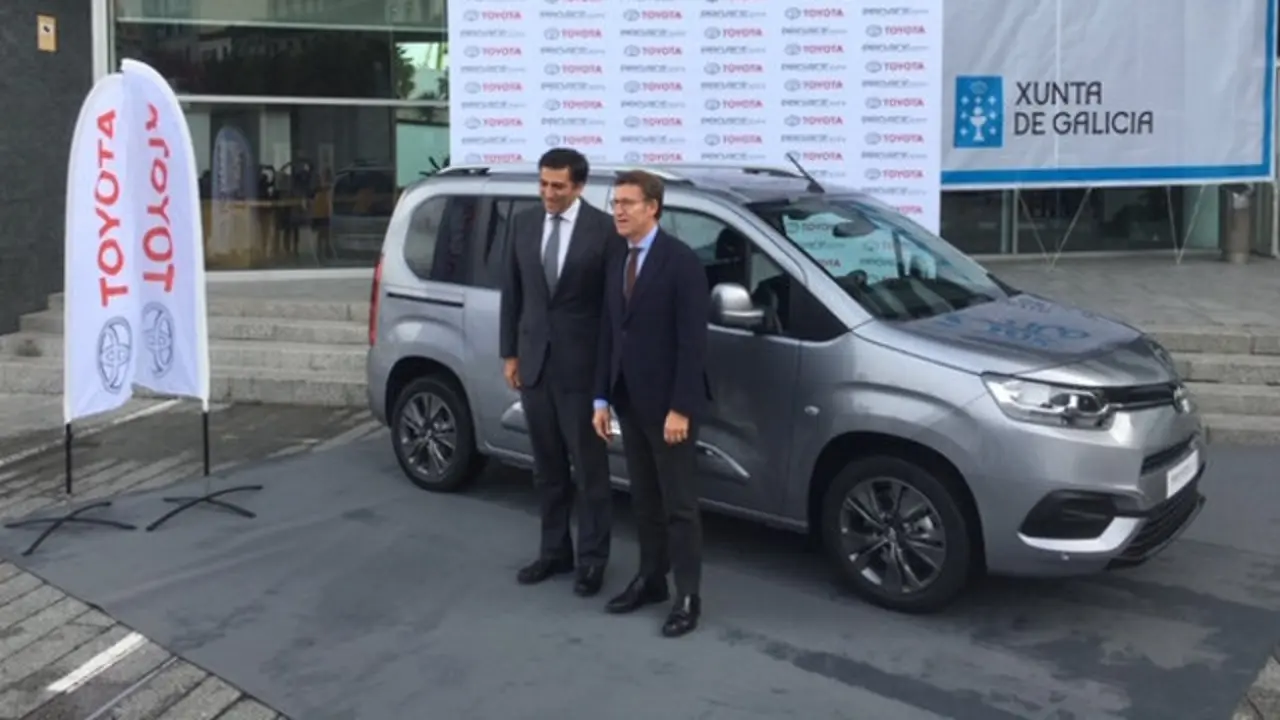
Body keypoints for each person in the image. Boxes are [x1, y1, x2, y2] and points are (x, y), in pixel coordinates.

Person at [499, 148, 624, 597]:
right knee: (547, 469)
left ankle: (593, 561)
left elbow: (614, 311)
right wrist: (509, 355)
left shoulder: (605, 231)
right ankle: (554, 551)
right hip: (534, 367)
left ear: (579, 186)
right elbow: (512, 294)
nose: (548, 194)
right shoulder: (524, 224)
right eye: (543, 184)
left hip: (582, 372)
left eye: (558, 186)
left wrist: (606, 381)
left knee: (590, 472)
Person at [592, 170, 711, 638]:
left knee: (679, 505)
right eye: (615, 202)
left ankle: (688, 595)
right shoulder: (616, 258)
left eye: (627, 203)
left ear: (653, 207)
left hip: (669, 409)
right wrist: (601, 397)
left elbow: (692, 343)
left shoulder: (681, 263)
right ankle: (651, 579)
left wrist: (681, 408)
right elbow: (609, 332)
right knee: (643, 499)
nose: (618, 210)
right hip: (627, 400)